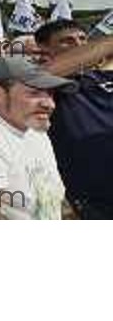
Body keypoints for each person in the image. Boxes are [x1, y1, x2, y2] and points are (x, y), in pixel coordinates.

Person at [0, 56, 76, 220]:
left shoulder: (34, 128)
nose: (50, 104)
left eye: (50, 94)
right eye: (34, 93)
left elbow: (57, 200)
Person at [35, 19, 113, 218]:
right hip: (94, 203)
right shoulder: (40, 87)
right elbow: (40, 76)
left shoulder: (104, 77)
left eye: (82, 39)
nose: (79, 45)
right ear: (43, 50)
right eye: (67, 42)